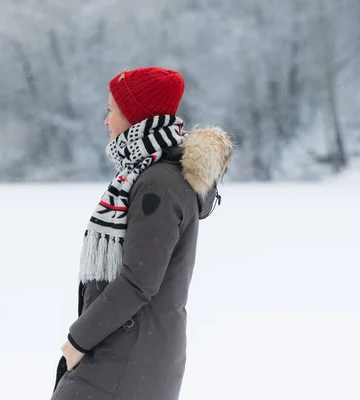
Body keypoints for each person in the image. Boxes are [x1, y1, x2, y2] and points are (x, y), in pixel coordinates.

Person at [50, 66, 233, 400]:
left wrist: (77, 341)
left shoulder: (157, 184)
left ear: (134, 116)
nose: (106, 121)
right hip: (135, 356)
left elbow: (139, 281)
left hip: (125, 361)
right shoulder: (150, 176)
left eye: (111, 111)